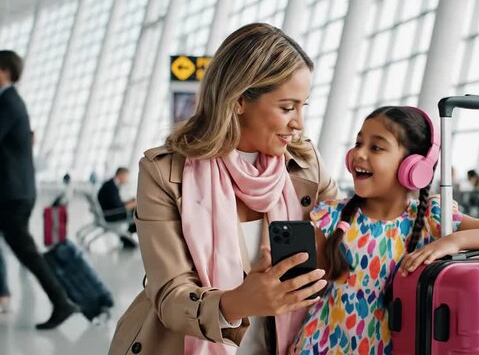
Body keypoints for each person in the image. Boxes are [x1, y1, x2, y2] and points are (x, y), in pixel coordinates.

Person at [108, 23, 340, 355]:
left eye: (303, 107)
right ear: (239, 99)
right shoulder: (164, 173)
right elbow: (169, 294)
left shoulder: (306, 165)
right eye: (287, 108)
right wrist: (238, 302)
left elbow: (357, 230)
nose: (299, 123)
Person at [291, 106, 479, 354]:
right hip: (322, 346)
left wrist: (454, 241)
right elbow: (314, 290)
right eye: (358, 144)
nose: (359, 154)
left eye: (375, 147)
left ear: (414, 167)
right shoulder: (332, 217)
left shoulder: (433, 219)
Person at [0, 50, 77, 328]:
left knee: (26, 251)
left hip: (12, 194)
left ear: (4, 71)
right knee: (24, 249)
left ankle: (62, 300)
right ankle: (61, 300)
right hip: (14, 191)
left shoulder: (9, 103)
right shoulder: (10, 102)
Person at [97, 167, 138, 248]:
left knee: (136, 211)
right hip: (111, 215)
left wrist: (129, 202)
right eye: (127, 177)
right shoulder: (111, 187)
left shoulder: (110, 184)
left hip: (108, 212)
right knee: (137, 213)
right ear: (121, 175)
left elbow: (115, 203)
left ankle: (127, 236)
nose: (127, 180)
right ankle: (128, 236)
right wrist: (134, 203)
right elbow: (118, 207)